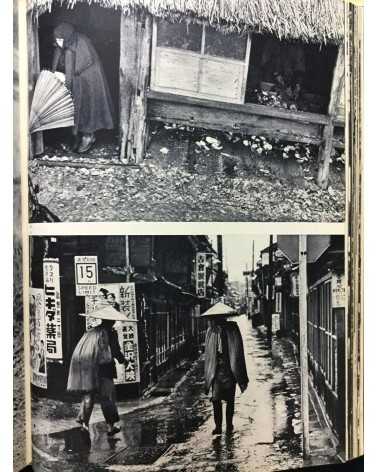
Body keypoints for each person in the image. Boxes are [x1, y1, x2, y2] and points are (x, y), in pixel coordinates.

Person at [51, 22, 114, 153]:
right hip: (76, 79)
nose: (58, 42)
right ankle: (75, 136)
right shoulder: (64, 44)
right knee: (74, 107)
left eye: (61, 39)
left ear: (68, 38)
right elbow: (61, 64)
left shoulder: (82, 43)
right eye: (57, 39)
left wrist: (68, 79)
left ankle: (88, 136)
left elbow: (80, 66)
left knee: (88, 108)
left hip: (89, 80)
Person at [67, 306, 125, 435]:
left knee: (88, 396)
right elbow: (115, 351)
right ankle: (111, 426)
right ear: (113, 320)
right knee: (107, 397)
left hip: (89, 369)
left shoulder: (91, 332)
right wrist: (122, 360)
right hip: (105, 369)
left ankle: (84, 423)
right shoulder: (110, 333)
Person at [202, 302, 249, 435]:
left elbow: (238, 350)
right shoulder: (211, 331)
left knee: (230, 400)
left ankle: (229, 425)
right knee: (216, 400)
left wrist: (238, 370)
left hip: (230, 370)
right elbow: (209, 354)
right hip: (216, 372)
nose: (217, 321)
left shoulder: (233, 329)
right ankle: (218, 426)